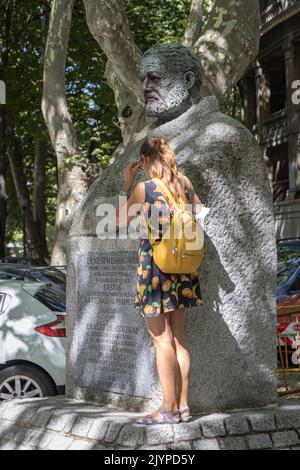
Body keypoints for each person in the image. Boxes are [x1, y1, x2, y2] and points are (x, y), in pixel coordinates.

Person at [116, 135, 204, 425]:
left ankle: (167, 408)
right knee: (179, 339)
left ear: (144, 161)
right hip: (183, 267)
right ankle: (183, 407)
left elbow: (118, 221)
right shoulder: (185, 183)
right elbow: (201, 214)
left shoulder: (146, 188)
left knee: (160, 340)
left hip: (156, 268)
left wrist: (127, 184)